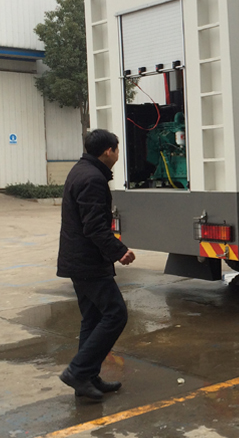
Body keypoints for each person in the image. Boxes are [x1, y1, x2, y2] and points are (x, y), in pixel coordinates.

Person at [57, 129, 136, 400]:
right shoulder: (92, 178)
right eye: (117, 150)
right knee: (116, 313)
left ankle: (87, 377)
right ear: (108, 151)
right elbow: (94, 226)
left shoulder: (81, 171)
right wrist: (119, 251)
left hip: (80, 260)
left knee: (92, 318)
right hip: (87, 262)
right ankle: (78, 371)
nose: (117, 155)